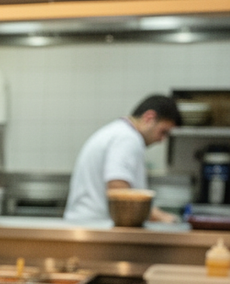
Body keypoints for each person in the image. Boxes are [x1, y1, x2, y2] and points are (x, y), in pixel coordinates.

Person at [63, 94, 182, 224]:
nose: (161, 140)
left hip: (89, 224)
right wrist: (164, 218)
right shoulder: (127, 139)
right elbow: (119, 191)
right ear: (149, 117)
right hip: (98, 226)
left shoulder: (117, 132)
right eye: (163, 131)